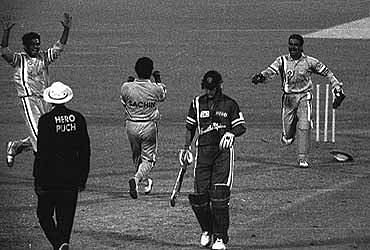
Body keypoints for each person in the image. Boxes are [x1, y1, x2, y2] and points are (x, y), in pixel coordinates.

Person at [251, 34, 345, 168]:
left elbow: (328, 73)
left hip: (304, 97)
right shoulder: (282, 61)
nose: (293, 47)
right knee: (287, 138)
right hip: (288, 100)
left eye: (296, 45)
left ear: (301, 47)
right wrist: (261, 77)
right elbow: (270, 71)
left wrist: (336, 87)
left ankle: (303, 158)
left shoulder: (310, 62)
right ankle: (290, 133)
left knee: (304, 125)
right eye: (291, 44)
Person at [179, 70, 246, 250]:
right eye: (206, 89)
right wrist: (186, 148)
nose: (209, 92)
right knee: (200, 196)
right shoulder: (197, 103)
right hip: (203, 154)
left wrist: (231, 133)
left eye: (212, 89)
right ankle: (206, 230)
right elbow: (190, 128)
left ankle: (219, 237)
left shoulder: (230, 104)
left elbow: (241, 126)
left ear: (219, 86)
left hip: (222, 154)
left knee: (219, 196)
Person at [0, 13, 72, 168]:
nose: (36, 46)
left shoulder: (44, 57)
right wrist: (6, 32)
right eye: (33, 44)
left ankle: (17, 146)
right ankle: (49, 167)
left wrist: (66, 30)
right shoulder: (19, 59)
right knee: (40, 136)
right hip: (29, 100)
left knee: (48, 132)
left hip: (45, 100)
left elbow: (59, 47)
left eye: (38, 44)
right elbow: (4, 51)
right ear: (25, 46)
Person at [33, 81, 90, 250]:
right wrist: (83, 178)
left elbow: (42, 152)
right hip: (72, 177)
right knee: (66, 218)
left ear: (50, 100)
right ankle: (63, 243)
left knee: (44, 215)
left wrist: (37, 179)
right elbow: (85, 150)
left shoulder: (45, 120)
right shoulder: (78, 118)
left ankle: (58, 244)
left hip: (49, 177)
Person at [120, 57, 167, 199]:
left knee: (137, 155)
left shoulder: (126, 87)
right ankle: (137, 179)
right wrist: (158, 79)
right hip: (148, 126)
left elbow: (124, 101)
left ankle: (144, 181)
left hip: (131, 125)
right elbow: (162, 96)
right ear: (151, 71)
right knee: (148, 160)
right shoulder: (154, 88)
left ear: (136, 70)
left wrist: (129, 82)